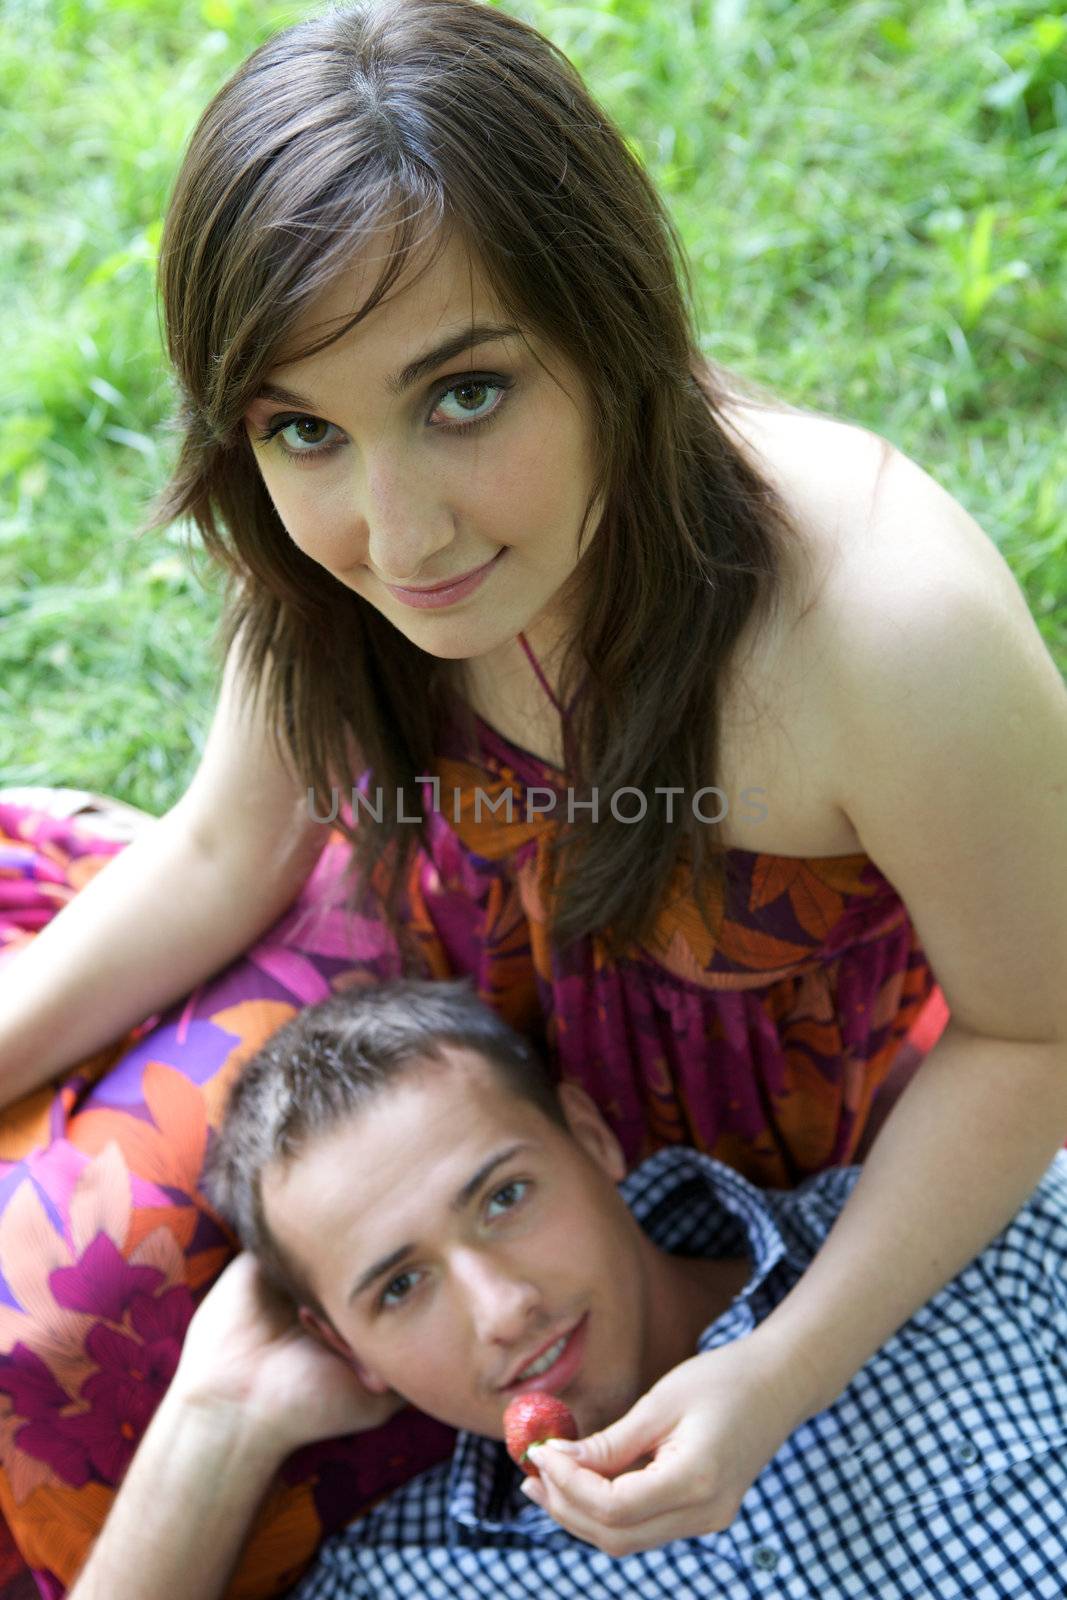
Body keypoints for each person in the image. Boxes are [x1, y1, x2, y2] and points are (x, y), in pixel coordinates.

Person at [0, 0, 1064, 1591]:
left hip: (728, 1131)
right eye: (304, 428)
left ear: (608, 317)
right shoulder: (323, 558)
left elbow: (1038, 1023)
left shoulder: (878, 624)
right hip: (427, 1010)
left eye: (463, 395)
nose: (396, 537)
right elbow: (228, 848)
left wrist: (772, 1378)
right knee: (50, 1314)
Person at [68, 979, 1067, 1600]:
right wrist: (216, 1420)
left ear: (590, 1138)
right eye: (400, 1286)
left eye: (503, 1196)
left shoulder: (974, 1235)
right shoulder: (404, 1583)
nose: (502, 1308)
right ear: (343, 1346)